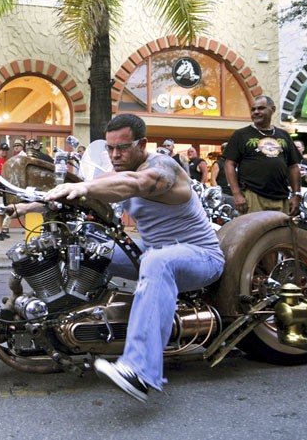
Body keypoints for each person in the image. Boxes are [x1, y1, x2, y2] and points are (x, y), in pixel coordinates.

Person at [43, 113, 225, 403]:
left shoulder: (162, 168)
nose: (115, 155)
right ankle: (70, 329)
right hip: (153, 251)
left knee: (158, 261)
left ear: (141, 144)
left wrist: (86, 188)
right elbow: (83, 190)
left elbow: (134, 183)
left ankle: (141, 371)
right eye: (110, 148)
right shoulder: (118, 171)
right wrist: (28, 205)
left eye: (123, 148)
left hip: (201, 256)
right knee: (91, 248)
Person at [223, 95, 301, 216]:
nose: (256, 112)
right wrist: (237, 194)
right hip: (252, 196)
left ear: (273, 110)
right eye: (253, 109)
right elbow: (229, 164)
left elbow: (293, 167)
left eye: (261, 108)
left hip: (281, 197)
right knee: (254, 234)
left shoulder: (284, 135)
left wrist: (296, 195)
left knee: (281, 233)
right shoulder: (241, 135)